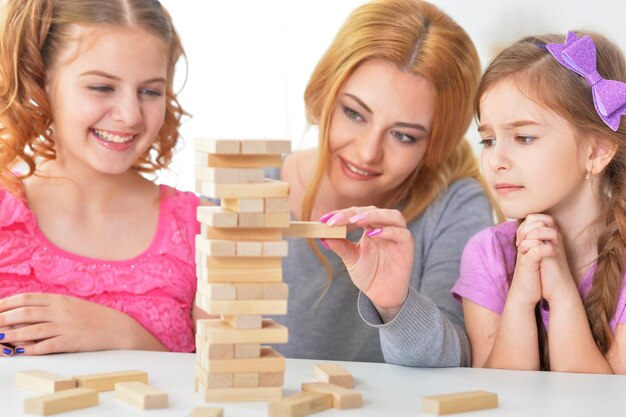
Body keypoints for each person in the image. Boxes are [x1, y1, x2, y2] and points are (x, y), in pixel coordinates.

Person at [269, 0, 495, 366]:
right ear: (325, 92)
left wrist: (395, 305)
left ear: (435, 143)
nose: (368, 152)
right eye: (354, 114)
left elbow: (461, 364)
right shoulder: (240, 193)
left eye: (403, 136)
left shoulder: (454, 205)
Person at [0, 0, 200, 356]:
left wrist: (124, 336)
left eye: (150, 91)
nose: (130, 115)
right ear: (41, 82)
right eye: (102, 88)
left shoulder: (199, 228)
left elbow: (226, 388)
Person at [453, 31, 626, 373]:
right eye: (488, 140)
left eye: (524, 137)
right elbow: (497, 394)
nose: (495, 160)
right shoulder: (488, 252)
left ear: (596, 150)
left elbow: (599, 404)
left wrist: (562, 294)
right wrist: (520, 297)